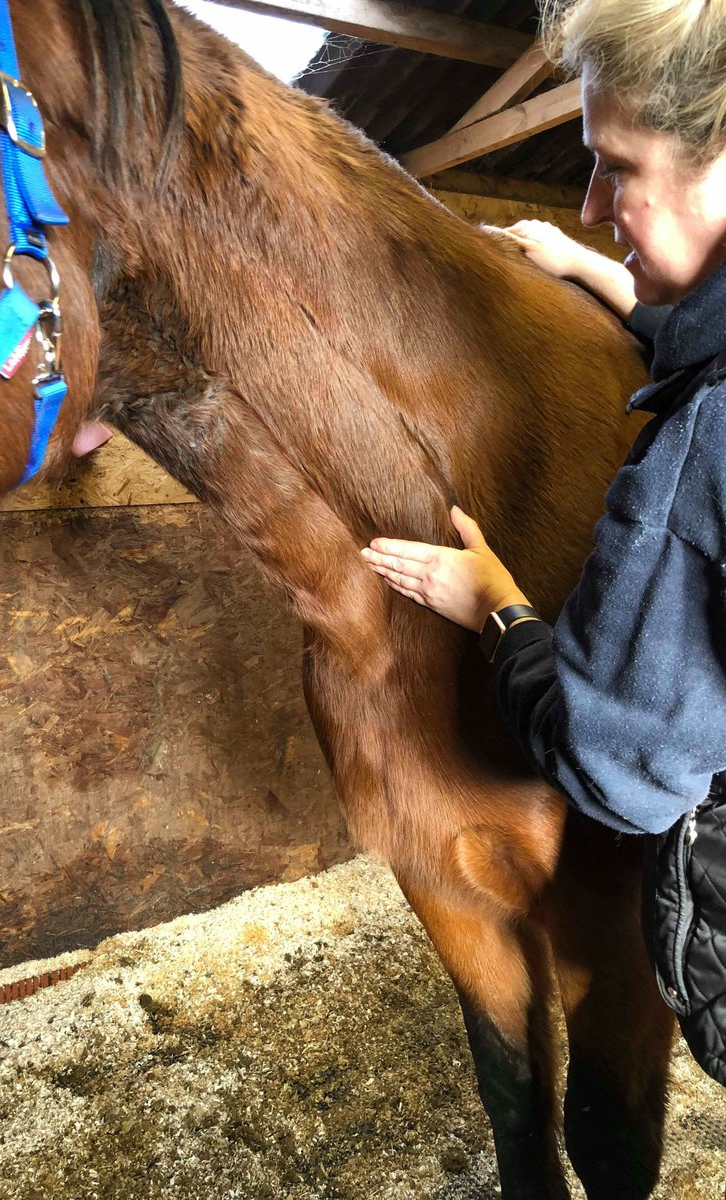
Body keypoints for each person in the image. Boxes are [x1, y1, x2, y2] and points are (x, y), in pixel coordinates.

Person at [361, 0, 726, 1087]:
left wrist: (500, 612)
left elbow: (624, 774)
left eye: (616, 167)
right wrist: (607, 276)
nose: (591, 202)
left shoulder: (702, 442)